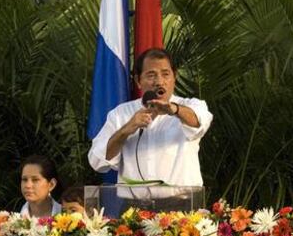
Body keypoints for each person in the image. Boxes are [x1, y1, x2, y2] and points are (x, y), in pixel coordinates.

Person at [88, 48, 213, 186]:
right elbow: (97, 161)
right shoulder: (120, 114)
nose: (159, 82)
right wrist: (126, 129)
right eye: (151, 75)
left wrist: (174, 109)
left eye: (165, 74)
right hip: (135, 205)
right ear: (138, 80)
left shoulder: (190, 105)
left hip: (181, 204)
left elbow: (198, 122)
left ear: (174, 77)